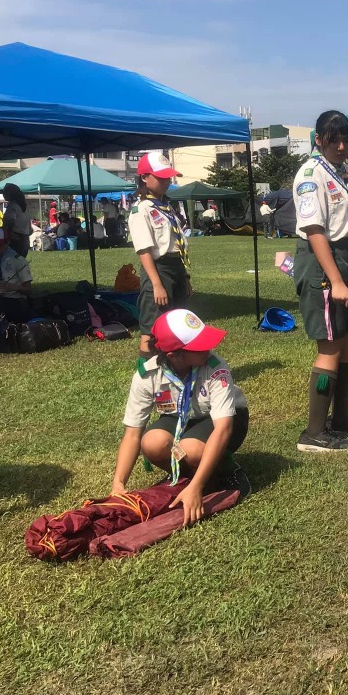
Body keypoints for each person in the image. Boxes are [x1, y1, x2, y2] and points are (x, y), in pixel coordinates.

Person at [113, 309, 250, 526]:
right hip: (180, 418)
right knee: (152, 443)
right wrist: (118, 485)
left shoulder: (215, 368)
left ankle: (226, 472)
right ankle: (186, 478)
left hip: (224, 420)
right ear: (173, 355)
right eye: (199, 345)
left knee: (192, 449)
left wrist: (196, 487)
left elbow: (223, 428)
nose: (209, 348)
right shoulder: (147, 375)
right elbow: (132, 434)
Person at [292, 110, 348, 452]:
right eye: (333, 140)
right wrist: (336, 280)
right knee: (330, 344)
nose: (341, 146)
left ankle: (340, 417)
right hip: (323, 262)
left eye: (346, 140)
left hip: (345, 257)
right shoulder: (311, 175)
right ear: (318, 140)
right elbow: (315, 232)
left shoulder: (341, 172)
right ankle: (313, 432)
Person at [128, 152, 192, 358]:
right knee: (151, 330)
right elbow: (144, 250)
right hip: (158, 269)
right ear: (145, 177)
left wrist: (185, 277)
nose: (166, 181)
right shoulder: (141, 209)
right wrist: (156, 284)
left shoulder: (166, 206)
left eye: (168, 177)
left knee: (176, 323)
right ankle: (146, 377)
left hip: (176, 268)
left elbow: (177, 244)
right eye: (160, 177)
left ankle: (172, 371)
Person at [1, 184, 32, 258]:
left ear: (10, 194)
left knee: (11, 263)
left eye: (5, 192)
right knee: (20, 264)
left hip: (15, 239)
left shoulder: (12, 206)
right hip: (25, 238)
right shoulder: (23, 206)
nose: (3, 194)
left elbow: (11, 220)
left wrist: (8, 233)